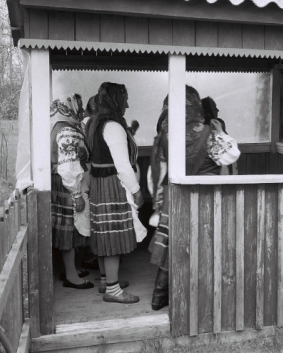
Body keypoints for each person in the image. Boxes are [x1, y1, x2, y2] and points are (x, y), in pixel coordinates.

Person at [148, 86, 221, 311]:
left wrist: (158, 204)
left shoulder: (166, 134)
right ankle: (197, 299)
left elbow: (157, 174)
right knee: (203, 247)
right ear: (196, 104)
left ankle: (159, 296)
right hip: (205, 197)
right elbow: (228, 158)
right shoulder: (210, 132)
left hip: (174, 198)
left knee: (172, 245)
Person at [86, 83, 144, 304]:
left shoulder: (94, 123)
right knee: (112, 235)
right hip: (111, 184)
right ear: (115, 100)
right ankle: (113, 290)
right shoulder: (112, 125)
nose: (127, 104)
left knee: (103, 232)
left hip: (99, 184)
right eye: (124, 99)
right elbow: (122, 165)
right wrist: (136, 191)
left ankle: (106, 280)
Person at [50, 93, 93, 289]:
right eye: (79, 106)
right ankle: (71, 276)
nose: (82, 111)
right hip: (68, 185)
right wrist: (76, 194)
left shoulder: (58, 127)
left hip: (61, 183)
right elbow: (68, 167)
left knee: (67, 228)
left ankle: (70, 270)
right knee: (69, 227)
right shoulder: (68, 132)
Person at [201, 96, 238, 175]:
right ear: (207, 112)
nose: (217, 110)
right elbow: (230, 152)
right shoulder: (208, 129)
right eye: (214, 108)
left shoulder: (218, 123)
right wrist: (220, 131)